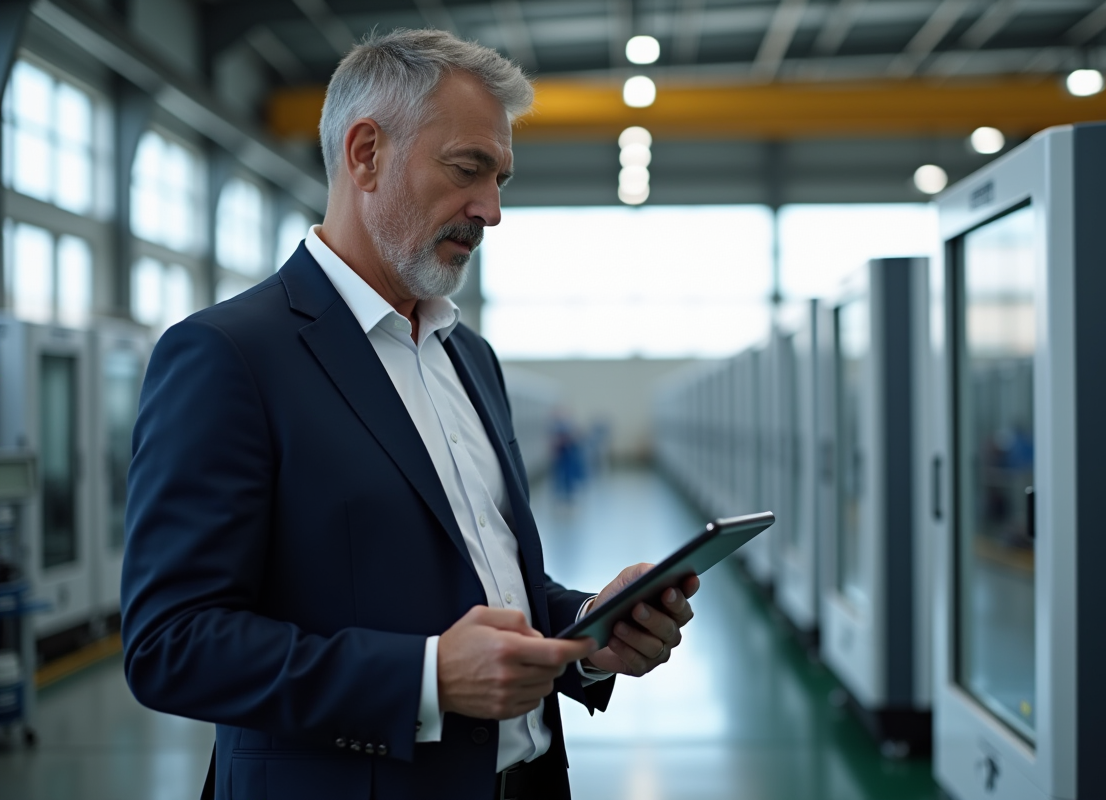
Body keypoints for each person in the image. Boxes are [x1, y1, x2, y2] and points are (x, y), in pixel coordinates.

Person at [120, 28, 700, 800]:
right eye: (467, 169)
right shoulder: (231, 355)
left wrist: (588, 629)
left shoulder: (469, 357)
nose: (491, 209)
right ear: (366, 154)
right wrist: (424, 678)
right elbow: (170, 643)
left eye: (500, 178)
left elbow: (484, 576)